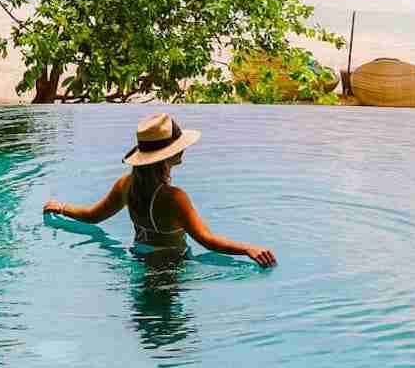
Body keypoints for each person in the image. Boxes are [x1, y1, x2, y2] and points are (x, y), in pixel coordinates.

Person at [42, 112, 277, 268]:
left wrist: (62, 208)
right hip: (171, 266)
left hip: (138, 258)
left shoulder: (126, 185)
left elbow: (93, 217)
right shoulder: (174, 198)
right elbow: (207, 241)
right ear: (167, 155)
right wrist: (249, 249)